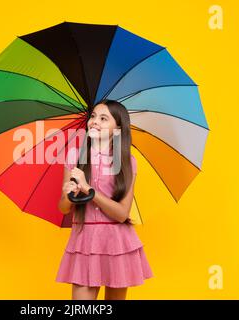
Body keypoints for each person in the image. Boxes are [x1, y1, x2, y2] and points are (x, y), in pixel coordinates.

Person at [56, 99, 154, 300]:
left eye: (103, 118)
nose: (94, 122)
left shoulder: (127, 161)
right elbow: (63, 208)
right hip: (84, 240)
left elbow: (121, 214)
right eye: (93, 117)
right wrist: (69, 195)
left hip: (117, 243)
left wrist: (89, 189)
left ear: (117, 128)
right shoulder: (75, 155)